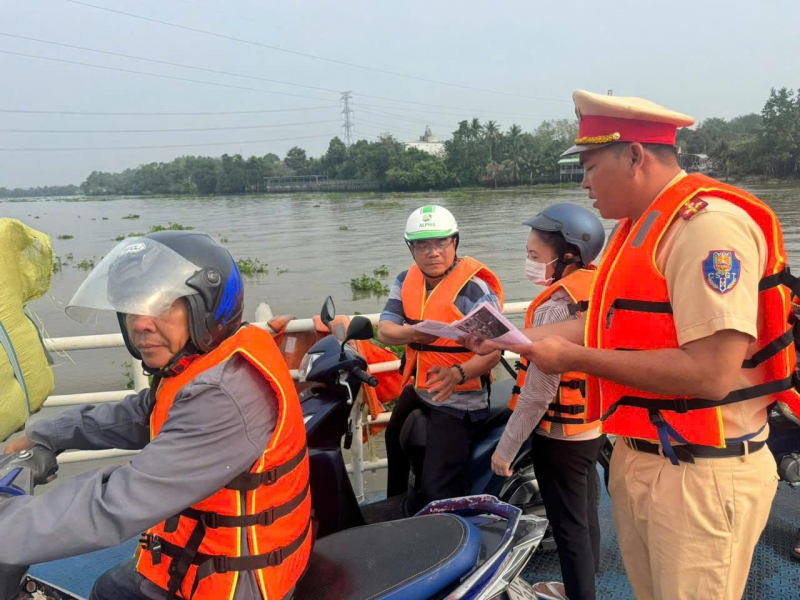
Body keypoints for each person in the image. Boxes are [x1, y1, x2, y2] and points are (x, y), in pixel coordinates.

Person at [478, 90, 800, 600]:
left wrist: (573, 359)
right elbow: (608, 324)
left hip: (701, 471)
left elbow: (711, 374)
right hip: (641, 454)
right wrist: (508, 338)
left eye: (590, 166)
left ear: (634, 156)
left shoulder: (706, 228)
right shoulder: (638, 231)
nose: (583, 183)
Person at [1, 231, 311, 600]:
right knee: (109, 589)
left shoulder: (225, 395)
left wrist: (10, 528)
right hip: (196, 553)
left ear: (208, 309)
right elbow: (138, 414)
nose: (140, 323)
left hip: (233, 583)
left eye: (163, 305)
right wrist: (49, 434)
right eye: (134, 307)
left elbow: (119, 501)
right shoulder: (204, 364)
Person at [492, 203, 605, 600]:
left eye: (534, 255)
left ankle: (578, 594)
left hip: (560, 438)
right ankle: (585, 581)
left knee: (568, 527)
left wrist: (506, 450)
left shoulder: (554, 309)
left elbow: (538, 393)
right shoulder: (599, 288)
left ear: (567, 256)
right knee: (585, 511)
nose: (530, 262)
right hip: (592, 428)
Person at [377, 205, 503, 516]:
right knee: (394, 439)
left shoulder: (474, 289)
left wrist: (458, 373)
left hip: (461, 398)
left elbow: (494, 351)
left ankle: (449, 531)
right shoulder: (406, 280)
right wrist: (412, 332)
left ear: (454, 243)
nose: (433, 253)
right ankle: (398, 513)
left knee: (437, 486)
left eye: (441, 243)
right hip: (421, 388)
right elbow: (385, 330)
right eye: (423, 245)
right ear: (411, 248)